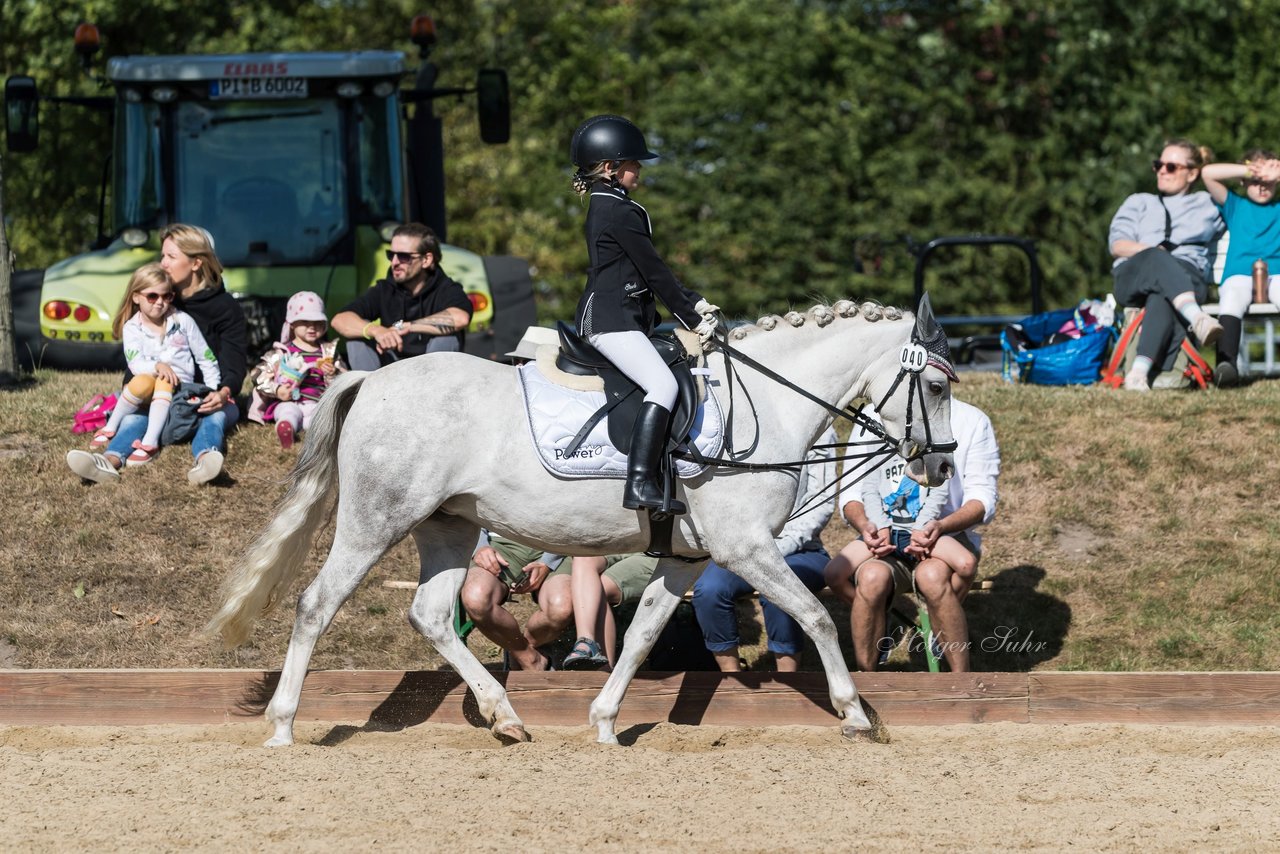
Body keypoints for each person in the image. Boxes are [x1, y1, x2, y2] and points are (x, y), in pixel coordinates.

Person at [569, 114, 721, 514]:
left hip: (622, 316)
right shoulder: (618, 211)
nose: (639, 170)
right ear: (610, 168)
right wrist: (692, 316)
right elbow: (654, 272)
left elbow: (648, 271)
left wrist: (694, 300)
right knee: (663, 387)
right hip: (610, 320)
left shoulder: (611, 204)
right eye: (633, 163)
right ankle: (639, 483)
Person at [825, 399, 999, 673]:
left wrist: (935, 525)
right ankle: (868, 673)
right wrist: (870, 526)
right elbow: (854, 493)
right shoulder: (872, 417)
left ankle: (958, 671)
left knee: (932, 576)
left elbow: (982, 499)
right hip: (888, 532)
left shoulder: (971, 420)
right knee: (869, 578)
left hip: (942, 531)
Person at [66, 224, 247, 485]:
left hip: (201, 396)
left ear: (196, 263)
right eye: (162, 256)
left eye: (171, 257)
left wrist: (223, 391)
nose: (163, 264)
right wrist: (139, 389)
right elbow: (137, 355)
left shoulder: (225, 308)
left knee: (215, 417)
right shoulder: (157, 300)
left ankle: (207, 459)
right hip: (160, 393)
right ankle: (109, 461)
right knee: (135, 417)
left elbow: (234, 359)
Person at [689, 429, 838, 672]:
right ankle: (733, 679)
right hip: (745, 550)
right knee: (709, 589)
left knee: (778, 589)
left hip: (802, 550)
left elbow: (820, 503)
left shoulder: (819, 429)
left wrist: (776, 549)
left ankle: (788, 682)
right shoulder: (745, 423)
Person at [1109, 139, 1226, 391]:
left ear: (1192, 173)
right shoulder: (1138, 201)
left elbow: (1243, 194)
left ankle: (1137, 374)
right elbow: (1118, 245)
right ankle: (1197, 317)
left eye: (1171, 166)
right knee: (1157, 258)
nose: (1162, 170)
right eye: (1158, 165)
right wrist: (1151, 251)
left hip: (1185, 275)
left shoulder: (1207, 204)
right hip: (1136, 275)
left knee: (1162, 294)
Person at [87, 263, 221, 465]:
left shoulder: (183, 321)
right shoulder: (132, 327)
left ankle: (150, 444)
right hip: (149, 393)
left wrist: (212, 389)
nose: (160, 302)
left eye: (167, 296)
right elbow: (135, 363)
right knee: (141, 382)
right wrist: (157, 366)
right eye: (152, 296)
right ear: (136, 297)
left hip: (180, 391)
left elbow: (205, 357)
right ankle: (110, 434)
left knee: (164, 382)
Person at [330, 223, 473, 370]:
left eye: (403, 256)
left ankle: (431, 392)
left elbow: (460, 318)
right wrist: (376, 331)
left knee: (447, 338)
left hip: (430, 374)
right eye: (391, 255)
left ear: (426, 260)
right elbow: (339, 320)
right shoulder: (384, 289)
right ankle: (370, 390)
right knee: (358, 338)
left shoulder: (446, 288)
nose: (394, 262)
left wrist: (407, 327)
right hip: (390, 369)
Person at [1200, 150, 1280, 387]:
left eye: (1268, 182)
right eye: (1255, 181)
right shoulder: (1235, 205)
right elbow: (1208, 173)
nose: (1262, 186)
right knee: (1233, 297)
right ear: (1244, 182)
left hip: (1276, 273)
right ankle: (1226, 364)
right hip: (1240, 273)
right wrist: (1250, 169)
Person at [459, 531, 571, 672]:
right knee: (476, 598)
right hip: (498, 542)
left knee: (561, 608)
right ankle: (528, 658)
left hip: (556, 546)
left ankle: (513, 642)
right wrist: (479, 546)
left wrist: (548, 562)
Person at [247, 291, 345, 449]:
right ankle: (287, 428)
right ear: (292, 324)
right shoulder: (283, 352)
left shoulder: (328, 353)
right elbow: (258, 376)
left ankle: (318, 435)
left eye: (318, 322)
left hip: (317, 403)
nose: (312, 327)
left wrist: (332, 374)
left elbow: (344, 383)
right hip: (289, 401)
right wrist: (277, 390)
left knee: (319, 419)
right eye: (305, 322)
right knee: (288, 411)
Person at [562, 553, 658, 670]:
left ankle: (604, 670)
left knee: (599, 588)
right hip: (615, 547)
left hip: (654, 552)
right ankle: (586, 642)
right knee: (583, 557)